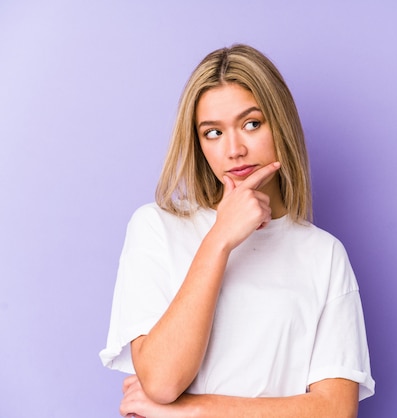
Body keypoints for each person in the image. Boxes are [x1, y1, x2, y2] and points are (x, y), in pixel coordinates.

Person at [99, 43, 375, 417]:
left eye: (251, 124)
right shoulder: (156, 228)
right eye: (212, 132)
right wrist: (219, 239)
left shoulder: (323, 254)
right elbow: (162, 381)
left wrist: (190, 412)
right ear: (198, 143)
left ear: (280, 126)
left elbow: (335, 410)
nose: (234, 150)